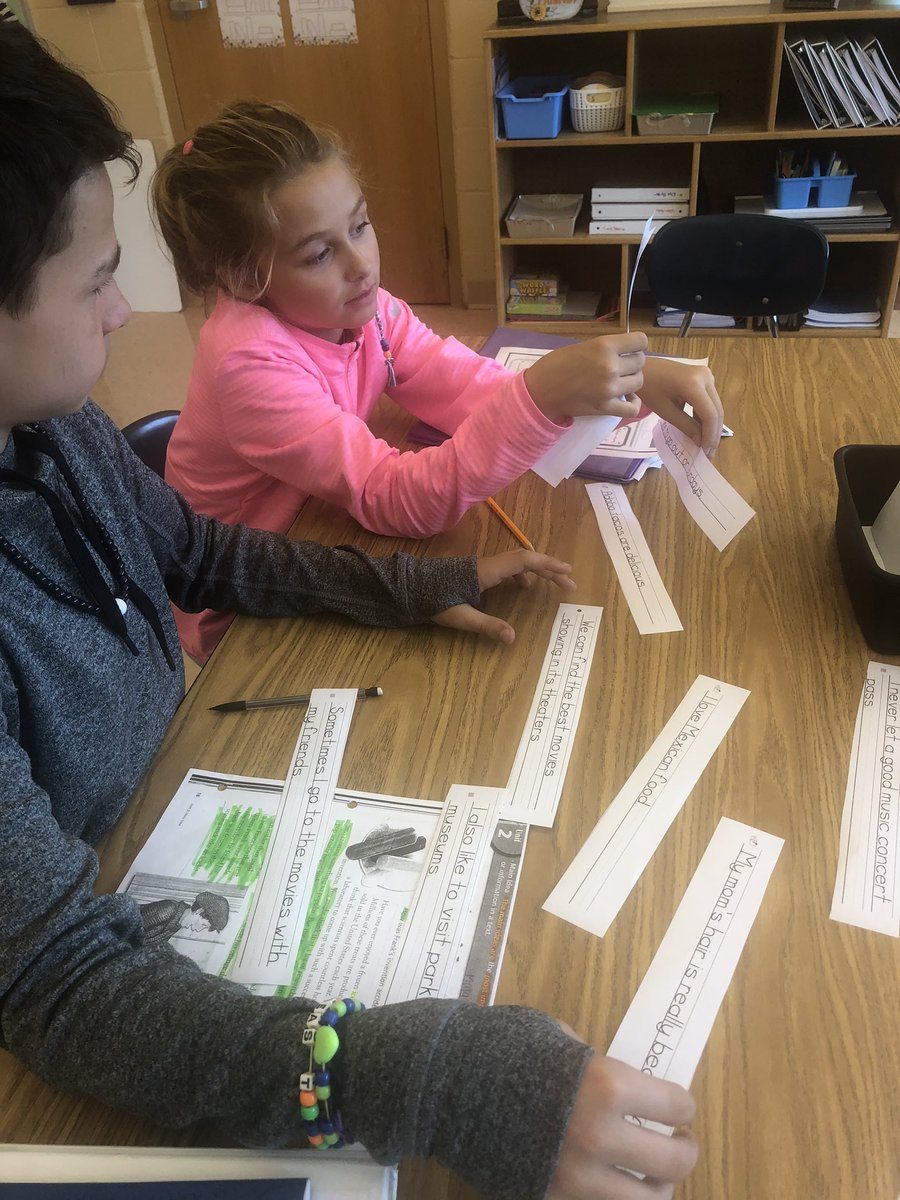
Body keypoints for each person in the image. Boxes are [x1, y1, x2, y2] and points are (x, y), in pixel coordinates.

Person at [0, 26, 699, 1200]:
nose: (126, 317)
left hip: (169, 779)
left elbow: (203, 550)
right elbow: (59, 982)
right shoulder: (173, 380)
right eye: (96, 280)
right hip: (103, 921)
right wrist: (428, 1077)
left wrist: (425, 588)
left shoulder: (49, 424)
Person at [152, 101, 725, 662]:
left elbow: (466, 388)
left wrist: (632, 372)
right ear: (242, 275)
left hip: (318, 535)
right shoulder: (247, 363)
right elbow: (398, 501)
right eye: (321, 253)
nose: (362, 265)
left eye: (360, 225)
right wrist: (544, 394)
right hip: (245, 602)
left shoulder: (365, 309)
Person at [139, 891, 232, 944]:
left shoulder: (176, 925)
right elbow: (130, 928)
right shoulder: (169, 909)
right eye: (203, 925)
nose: (199, 930)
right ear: (199, 912)